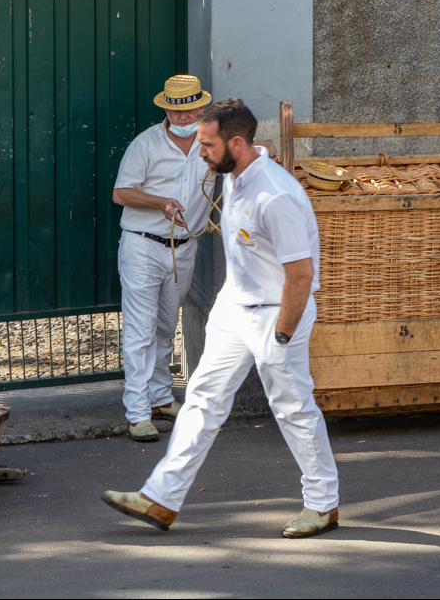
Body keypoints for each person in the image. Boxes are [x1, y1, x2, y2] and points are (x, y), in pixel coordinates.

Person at [102, 98, 341, 538]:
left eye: (207, 145)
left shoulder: (276, 195)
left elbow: (301, 275)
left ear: (235, 144)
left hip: (277, 314)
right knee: (201, 400)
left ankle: (323, 504)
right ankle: (161, 498)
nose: (200, 152)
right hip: (235, 309)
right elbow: (259, 154)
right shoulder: (233, 173)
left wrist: (282, 336)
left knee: (292, 408)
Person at [112, 75, 218, 442]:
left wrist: (265, 147)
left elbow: (246, 154)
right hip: (142, 245)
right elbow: (121, 193)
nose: (183, 115)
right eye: (176, 109)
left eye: (189, 108)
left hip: (184, 246)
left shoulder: (211, 143)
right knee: (140, 329)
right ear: (166, 109)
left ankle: (159, 398)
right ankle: (137, 413)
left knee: (165, 324)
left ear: (201, 107)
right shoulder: (145, 143)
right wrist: (160, 202)